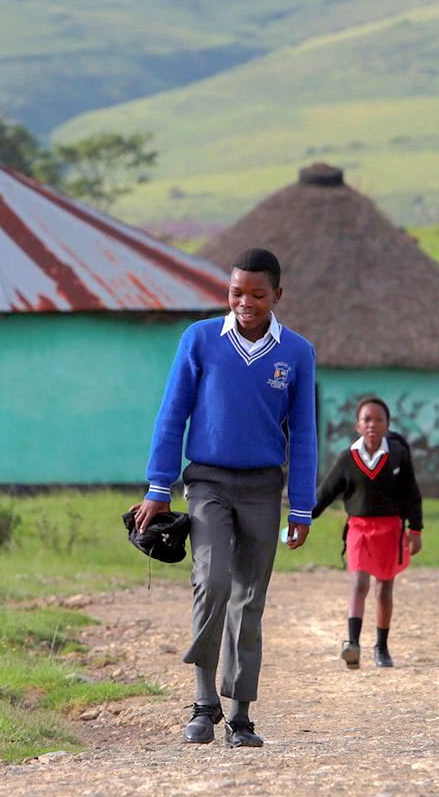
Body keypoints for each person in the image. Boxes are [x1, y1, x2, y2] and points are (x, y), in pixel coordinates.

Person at [129, 247, 318, 749]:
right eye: (237, 292)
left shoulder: (296, 352)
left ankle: (240, 714)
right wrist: (157, 488)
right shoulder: (199, 340)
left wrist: (301, 506)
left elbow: (304, 433)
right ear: (228, 292)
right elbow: (172, 415)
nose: (246, 302)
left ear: (277, 295)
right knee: (211, 582)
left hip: (263, 487)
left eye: (258, 294)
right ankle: (201, 701)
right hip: (207, 483)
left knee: (249, 597)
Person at [311, 395, 424, 670]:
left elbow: (411, 494)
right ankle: (353, 644)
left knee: (384, 588)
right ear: (357, 425)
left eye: (378, 419)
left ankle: (381, 647)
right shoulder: (347, 458)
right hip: (359, 529)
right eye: (366, 420)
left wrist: (415, 529)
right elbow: (324, 494)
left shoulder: (398, 455)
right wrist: (302, 517)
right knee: (359, 583)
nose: (372, 424)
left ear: (387, 425)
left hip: (391, 529)